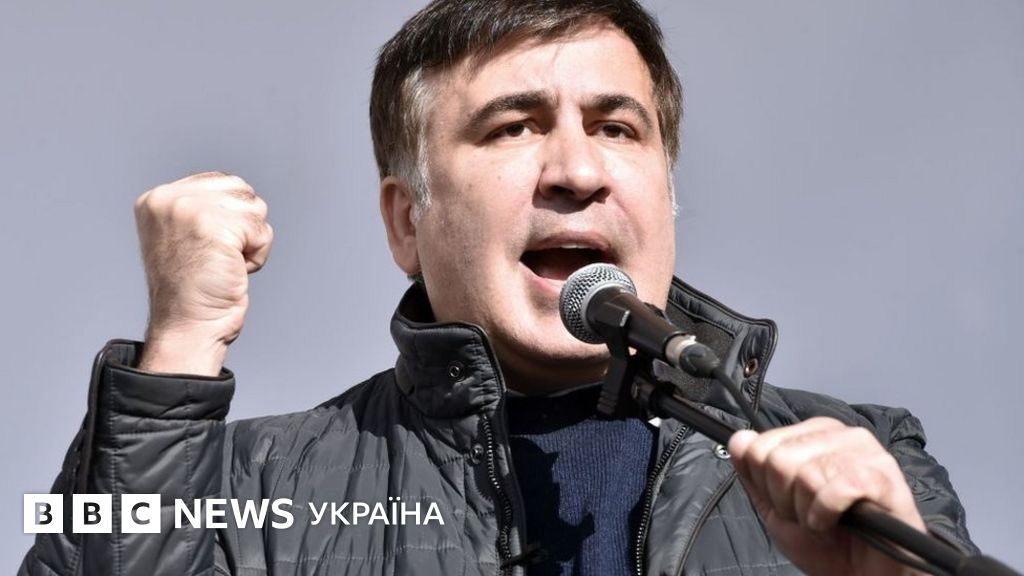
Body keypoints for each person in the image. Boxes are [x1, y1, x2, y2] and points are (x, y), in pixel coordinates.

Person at [20, 0, 977, 574]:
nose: (577, 170)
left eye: (617, 128)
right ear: (406, 221)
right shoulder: (252, 489)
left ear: (667, 192)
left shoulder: (860, 464)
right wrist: (180, 349)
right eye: (514, 127)